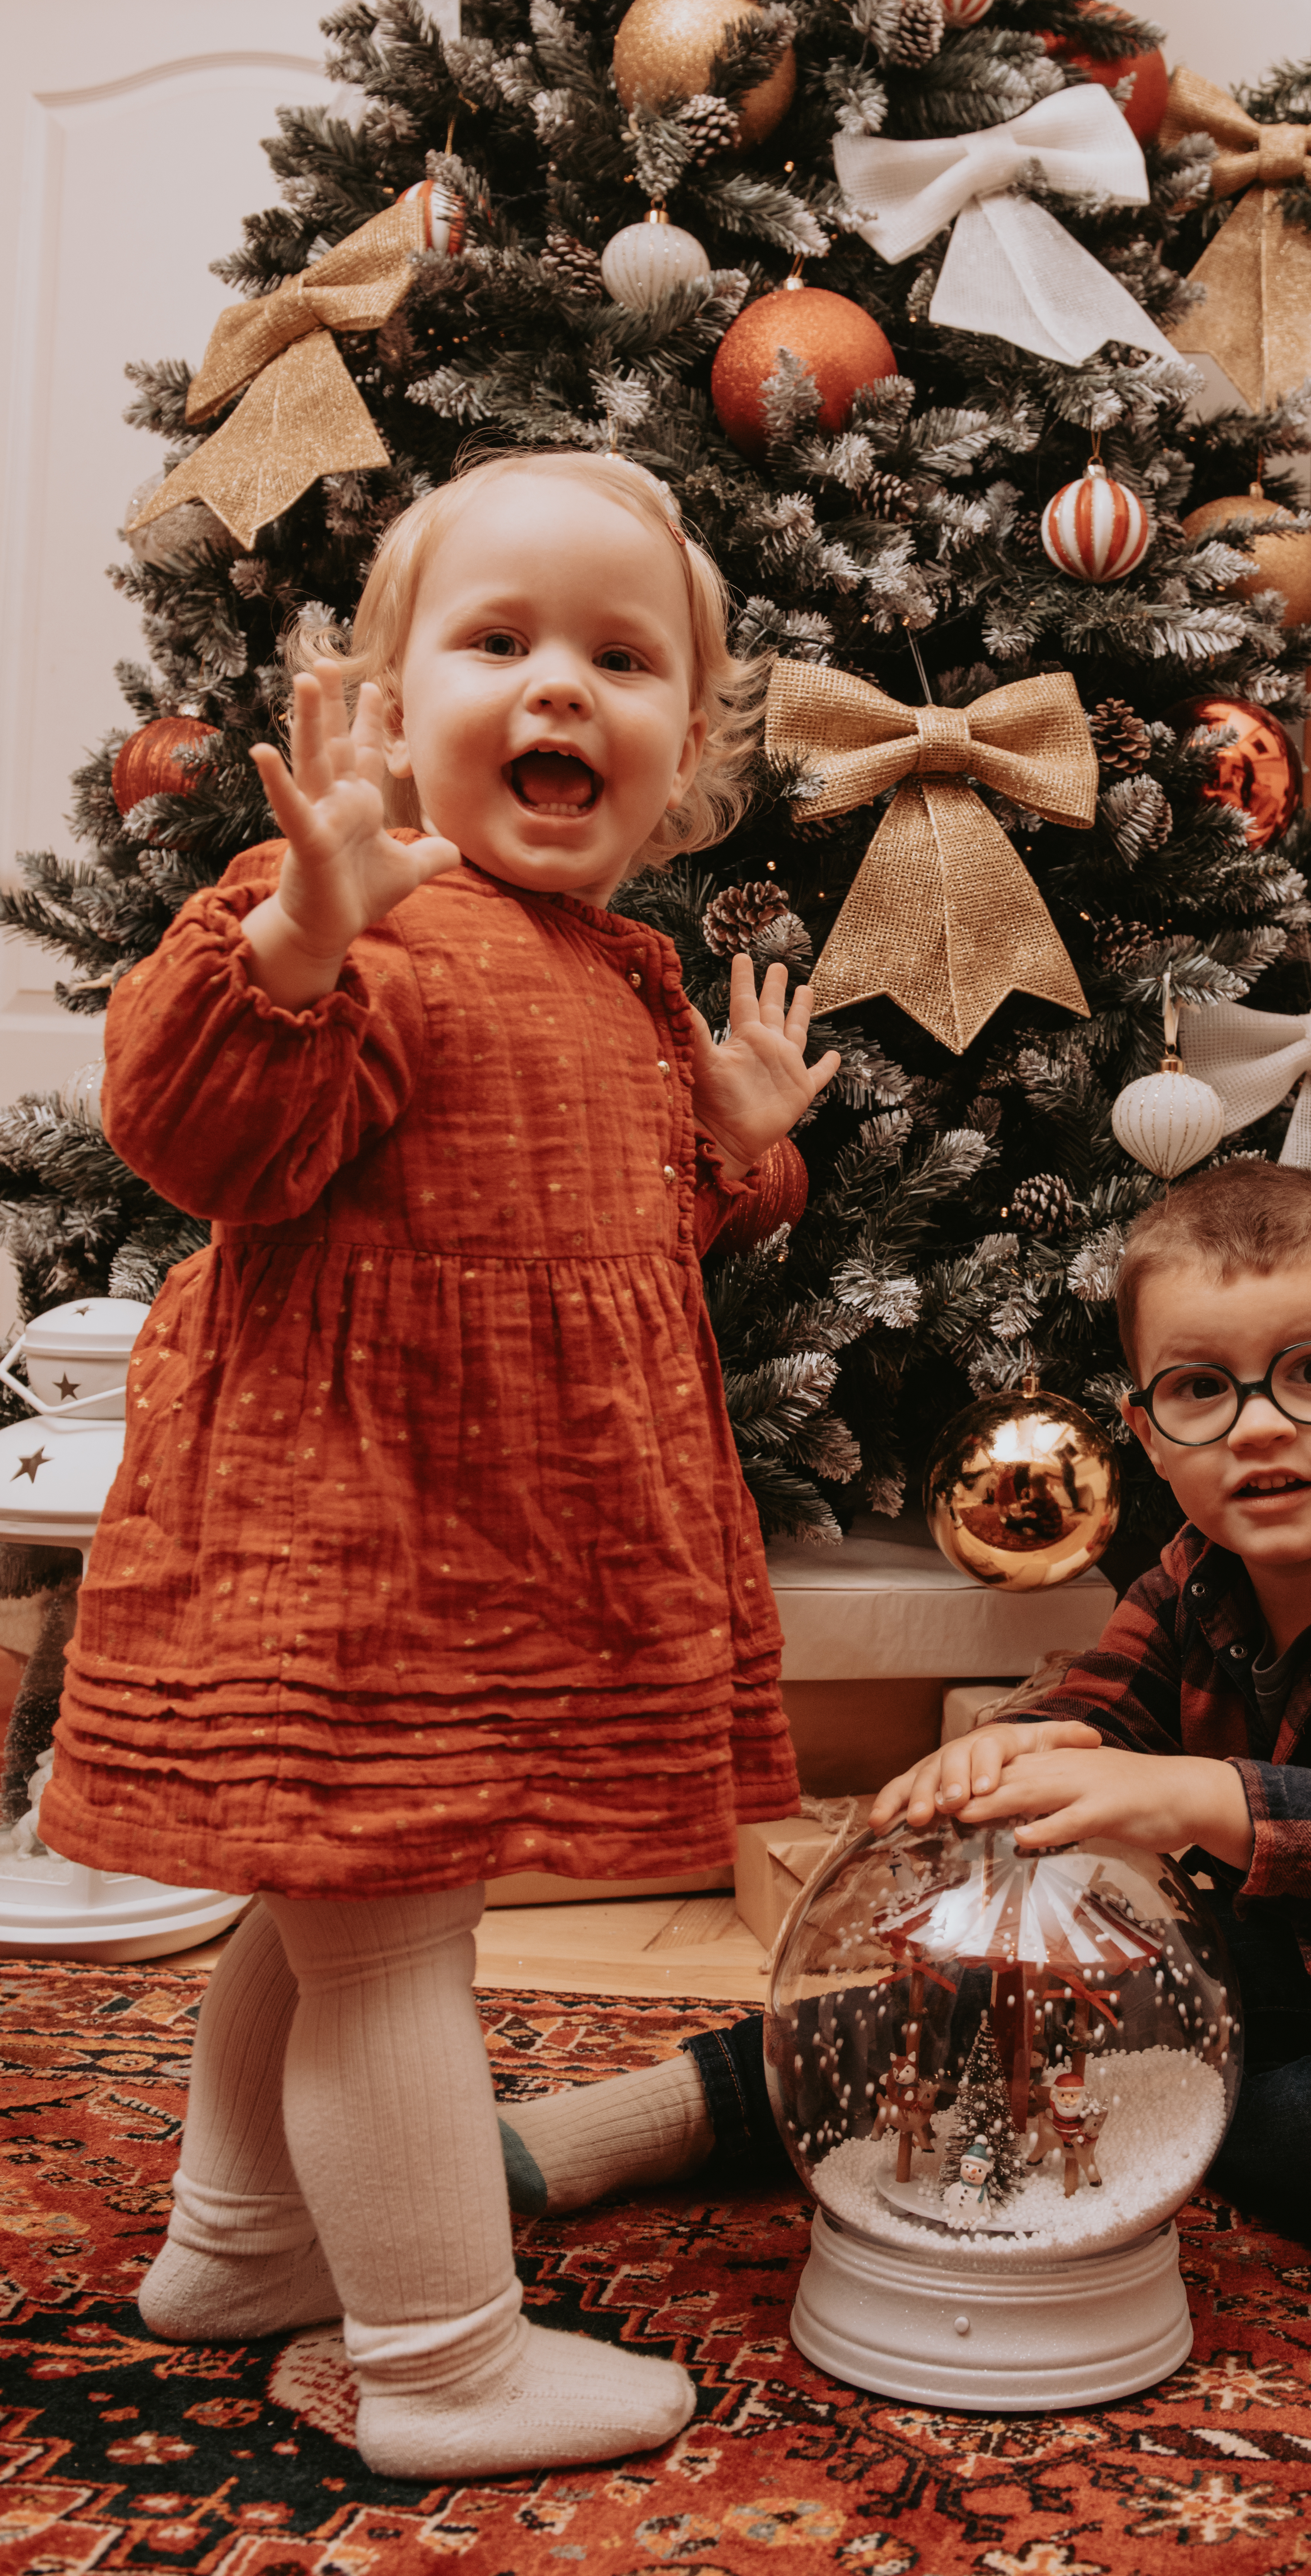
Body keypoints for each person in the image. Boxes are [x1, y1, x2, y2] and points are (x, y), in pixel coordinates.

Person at [39, 451, 836, 2478]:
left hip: (485, 1541)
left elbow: (624, 1234)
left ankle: (236, 2245)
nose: (557, 688)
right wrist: (299, 931)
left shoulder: (615, 966)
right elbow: (200, 1131)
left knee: (339, 1906)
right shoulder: (351, 919)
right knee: (389, 1932)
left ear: (687, 752)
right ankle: (440, 2359)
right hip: (348, 1534)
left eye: (618, 656)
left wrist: (741, 1145)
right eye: (496, 642)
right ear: (383, 717)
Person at [499, 1161, 1311, 2264]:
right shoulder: (1187, 1574)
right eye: (1200, 1391)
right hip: (1296, 1974)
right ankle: (653, 2117)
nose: (1260, 1425)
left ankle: (1145, 2090)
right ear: (1152, 1440)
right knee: (987, 1989)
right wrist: (1018, 1746)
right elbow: (1093, 1707)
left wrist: (1182, 1793)